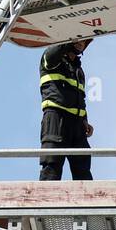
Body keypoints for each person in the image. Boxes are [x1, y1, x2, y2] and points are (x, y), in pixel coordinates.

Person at [38, 38, 93, 181]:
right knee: (52, 168)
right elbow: (54, 51)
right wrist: (70, 35)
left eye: (85, 41)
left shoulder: (78, 70)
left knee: (83, 171)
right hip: (56, 120)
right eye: (79, 39)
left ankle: (88, 203)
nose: (82, 43)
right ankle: (45, 202)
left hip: (77, 125)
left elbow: (81, 98)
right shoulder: (51, 59)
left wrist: (84, 120)